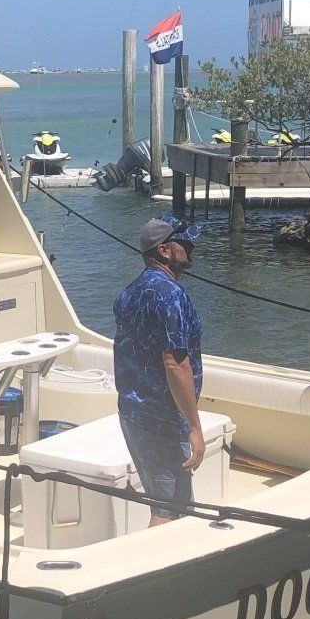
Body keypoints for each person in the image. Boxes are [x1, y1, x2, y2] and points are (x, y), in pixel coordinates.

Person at [112, 215, 207, 525]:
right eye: (185, 243)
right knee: (169, 511)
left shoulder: (130, 292)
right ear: (165, 251)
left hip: (134, 413)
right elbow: (175, 364)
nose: (191, 247)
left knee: (169, 504)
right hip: (162, 420)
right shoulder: (170, 295)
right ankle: (150, 571)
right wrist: (194, 427)